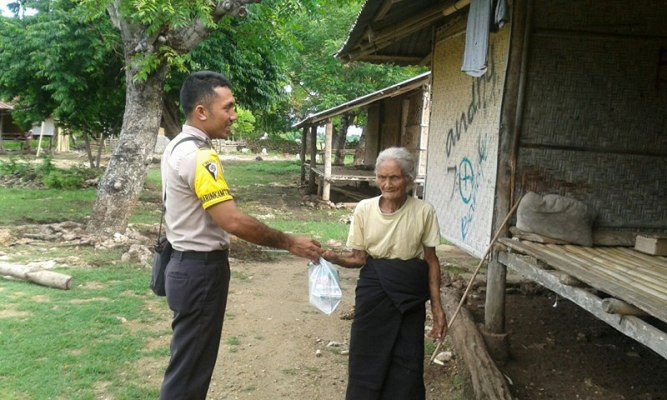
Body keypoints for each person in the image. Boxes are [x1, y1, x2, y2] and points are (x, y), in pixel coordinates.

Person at [159, 71, 322, 400]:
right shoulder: (200, 156)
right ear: (202, 112)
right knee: (189, 375)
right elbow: (231, 220)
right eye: (229, 108)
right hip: (200, 271)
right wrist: (290, 242)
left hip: (185, 266)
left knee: (188, 367)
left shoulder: (177, 145)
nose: (234, 115)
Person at [322, 147, 447, 400]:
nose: (387, 184)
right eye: (382, 177)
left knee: (407, 357)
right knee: (366, 354)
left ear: (409, 179)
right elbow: (359, 259)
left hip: (409, 292)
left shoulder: (424, 211)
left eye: (395, 178)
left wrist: (437, 308)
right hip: (373, 289)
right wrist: (334, 258)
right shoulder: (364, 209)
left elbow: (431, 261)